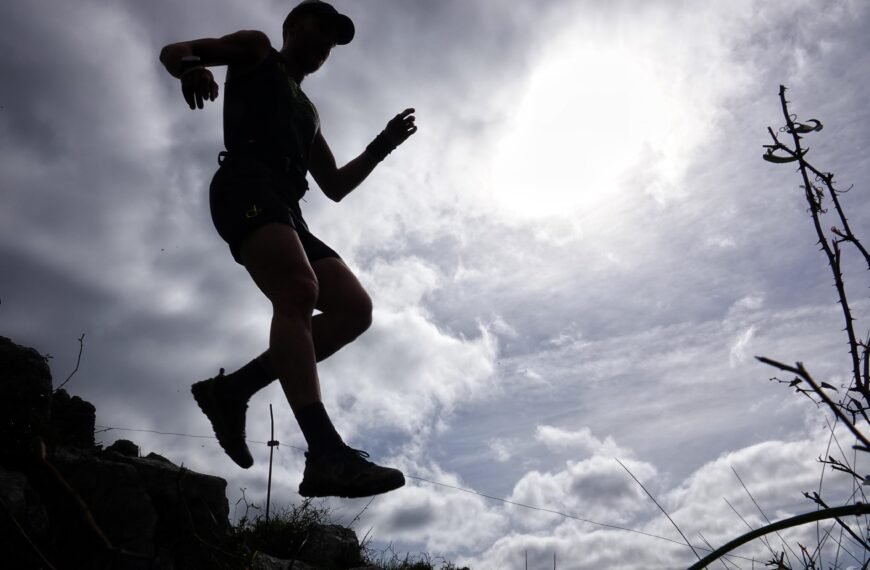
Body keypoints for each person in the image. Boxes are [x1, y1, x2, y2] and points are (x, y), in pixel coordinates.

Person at [159, 0, 417, 498]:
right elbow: (176, 49)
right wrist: (192, 70)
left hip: (288, 205)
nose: (326, 46)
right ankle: (324, 453)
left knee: (353, 308)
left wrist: (382, 146)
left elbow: (335, 185)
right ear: (294, 26)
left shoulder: (309, 111)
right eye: (322, 31)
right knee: (298, 289)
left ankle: (232, 390)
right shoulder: (257, 51)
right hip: (244, 184)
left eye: (334, 43)